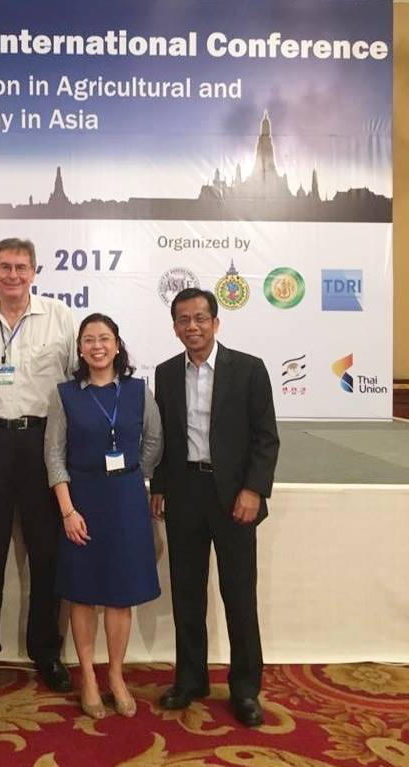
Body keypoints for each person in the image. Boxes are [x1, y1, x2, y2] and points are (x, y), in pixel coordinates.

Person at [150, 287, 279, 727]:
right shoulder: (166, 374)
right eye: (183, 320)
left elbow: (266, 438)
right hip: (185, 493)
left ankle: (245, 690)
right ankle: (190, 680)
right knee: (186, 592)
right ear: (174, 327)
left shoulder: (248, 369)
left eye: (200, 318)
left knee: (239, 595)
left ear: (216, 322)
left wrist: (254, 489)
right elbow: (166, 438)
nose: (193, 326)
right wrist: (160, 486)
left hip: (234, 497)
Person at [0, 237, 76, 693]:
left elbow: (74, 385)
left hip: (43, 444)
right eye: (4, 266)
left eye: (21, 267)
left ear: (34, 271)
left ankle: (47, 651)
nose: (12, 275)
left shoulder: (59, 317)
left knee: (47, 556)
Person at [44, 313, 163, 719]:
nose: (97, 345)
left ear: (117, 345)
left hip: (126, 500)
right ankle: (90, 678)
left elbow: (154, 441)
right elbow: (54, 455)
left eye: (105, 338)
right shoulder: (64, 395)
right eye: (89, 339)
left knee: (120, 594)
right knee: (82, 593)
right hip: (81, 501)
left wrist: (135, 478)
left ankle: (116, 675)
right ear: (79, 348)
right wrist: (67, 510)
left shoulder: (137, 391)